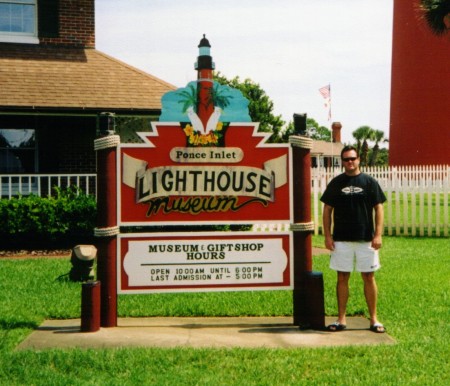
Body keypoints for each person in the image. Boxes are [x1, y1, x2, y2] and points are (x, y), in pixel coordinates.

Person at [321, 145, 387, 333]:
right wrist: (327, 235)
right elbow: (327, 209)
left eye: (353, 159)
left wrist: (378, 234)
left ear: (359, 160)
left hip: (366, 239)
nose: (350, 162)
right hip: (341, 239)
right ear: (342, 161)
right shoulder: (336, 183)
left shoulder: (369, 182)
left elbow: (379, 207)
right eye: (346, 159)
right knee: (342, 277)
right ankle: (341, 319)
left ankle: (374, 319)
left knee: (369, 276)